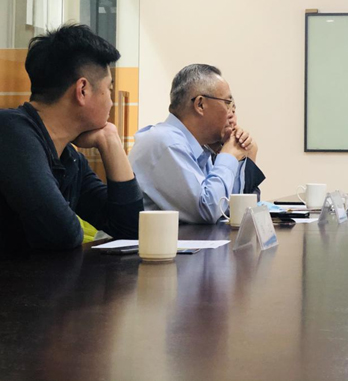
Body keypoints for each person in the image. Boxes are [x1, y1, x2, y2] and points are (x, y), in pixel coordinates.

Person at [0, 24, 144, 251]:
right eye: (109, 89)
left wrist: (110, 140)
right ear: (82, 90)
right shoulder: (10, 132)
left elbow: (131, 230)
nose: (111, 101)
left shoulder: (68, 157)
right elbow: (61, 234)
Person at [129, 64, 265, 224]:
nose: (230, 114)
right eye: (227, 103)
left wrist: (243, 156)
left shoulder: (199, 148)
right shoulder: (166, 142)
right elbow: (208, 211)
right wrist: (228, 156)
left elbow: (227, 208)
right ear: (200, 104)